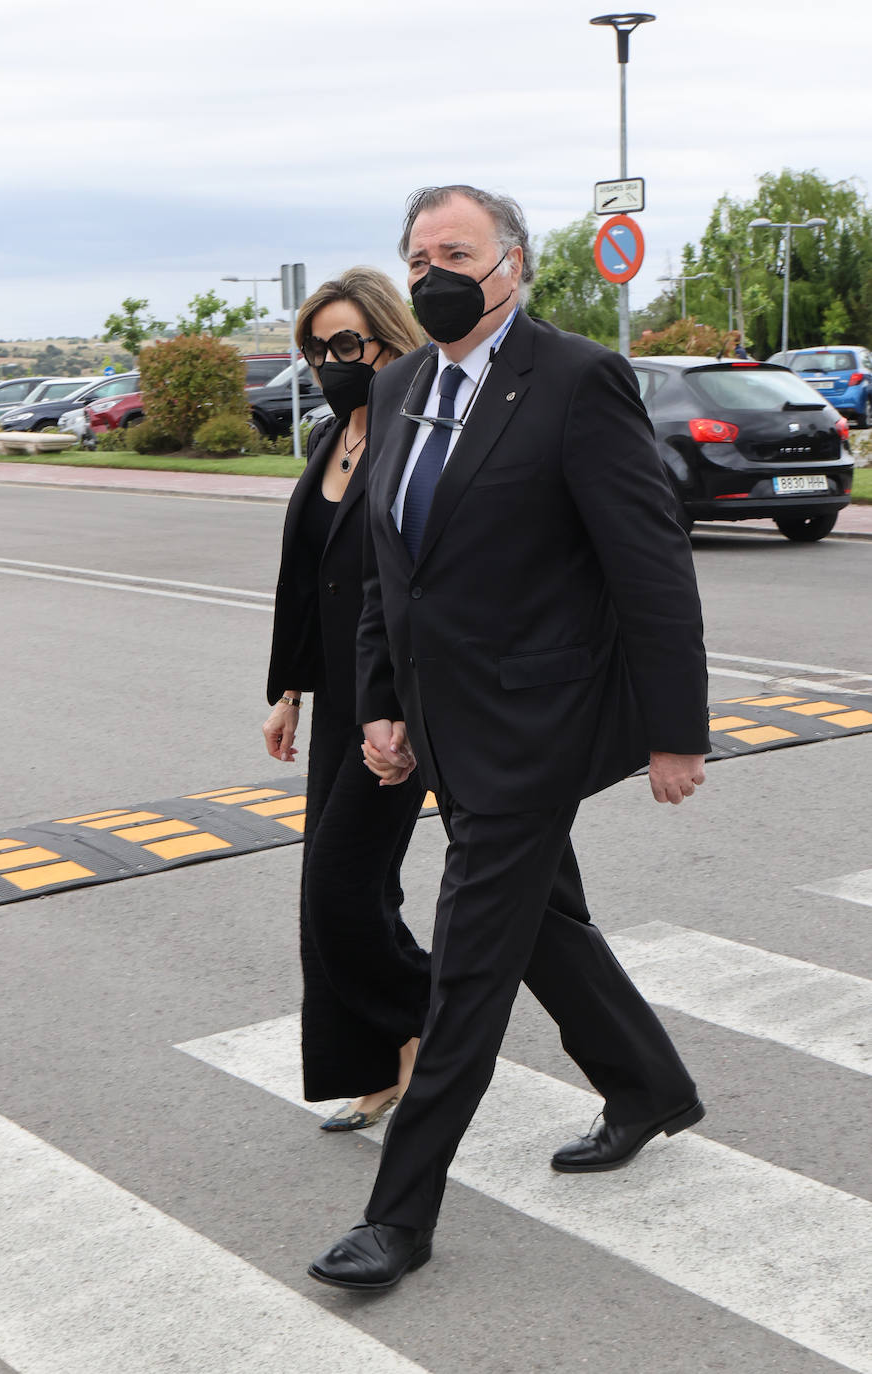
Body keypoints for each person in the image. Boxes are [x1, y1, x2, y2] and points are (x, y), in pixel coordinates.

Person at [308, 186, 710, 1291]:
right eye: (419, 253)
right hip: (441, 721)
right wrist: (381, 703)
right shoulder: (396, 389)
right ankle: (645, 1084)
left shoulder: (576, 380)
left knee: (471, 963)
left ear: (513, 265)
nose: (435, 270)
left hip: (538, 720)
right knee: (537, 918)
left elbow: (648, 564)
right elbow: (397, 569)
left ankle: (398, 1219)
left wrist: (677, 730)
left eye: (459, 251)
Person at [263, 267, 429, 1133]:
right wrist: (287, 690)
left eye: (344, 344)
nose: (330, 361)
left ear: (389, 342)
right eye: (316, 348)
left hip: (399, 706)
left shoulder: (415, 438)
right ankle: (379, 1060)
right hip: (337, 700)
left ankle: (429, 1019)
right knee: (338, 887)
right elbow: (305, 577)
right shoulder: (332, 439)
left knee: (342, 886)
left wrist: (396, 706)